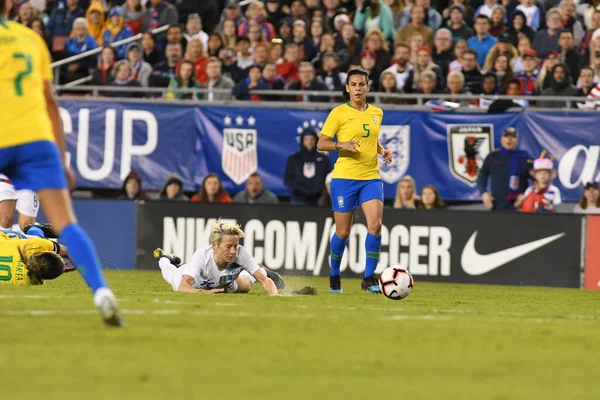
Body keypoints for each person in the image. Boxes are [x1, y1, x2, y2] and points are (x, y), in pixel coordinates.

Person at [0, 0, 121, 325]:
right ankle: (101, 292)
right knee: (67, 224)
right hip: (36, 140)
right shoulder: (32, 40)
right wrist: (63, 158)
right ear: (10, 5)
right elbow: (51, 104)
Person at [317, 68, 393, 294]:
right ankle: (334, 275)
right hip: (344, 178)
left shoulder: (377, 112)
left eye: (362, 84)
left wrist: (382, 150)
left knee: (376, 225)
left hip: (371, 177)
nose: (358, 88)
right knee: (343, 232)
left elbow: (371, 137)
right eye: (353, 84)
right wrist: (342, 145)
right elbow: (322, 143)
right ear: (347, 88)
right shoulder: (338, 113)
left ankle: (369, 278)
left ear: (368, 87)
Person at [154, 221, 282, 295]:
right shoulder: (202, 256)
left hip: (223, 283)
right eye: (228, 246)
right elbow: (183, 287)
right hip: (198, 285)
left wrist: (275, 296)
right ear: (215, 245)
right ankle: (164, 258)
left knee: (247, 285)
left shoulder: (241, 253)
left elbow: (264, 281)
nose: (233, 251)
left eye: (236, 246)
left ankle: (262, 269)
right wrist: (205, 293)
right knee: (170, 275)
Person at [477, 127, 532, 211]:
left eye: (512, 137)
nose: (509, 140)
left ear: (517, 140)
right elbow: (482, 175)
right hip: (496, 205)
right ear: (501, 139)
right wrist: (484, 193)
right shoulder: (493, 156)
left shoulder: (525, 157)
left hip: (519, 205)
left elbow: (537, 180)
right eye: (506, 136)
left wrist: (526, 195)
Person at [0, 235, 76, 285]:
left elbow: (67, 251)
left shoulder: (34, 246)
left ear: (47, 252)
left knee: (29, 235)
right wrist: (59, 269)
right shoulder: (32, 283)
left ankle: (35, 229)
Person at [284, 127, 332, 206]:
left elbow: (328, 179)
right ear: (302, 140)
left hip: (319, 199)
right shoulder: (294, 159)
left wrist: (319, 189)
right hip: (298, 199)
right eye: (306, 139)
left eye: (312, 139)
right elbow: (287, 179)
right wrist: (301, 188)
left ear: (316, 140)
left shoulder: (324, 159)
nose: (309, 142)